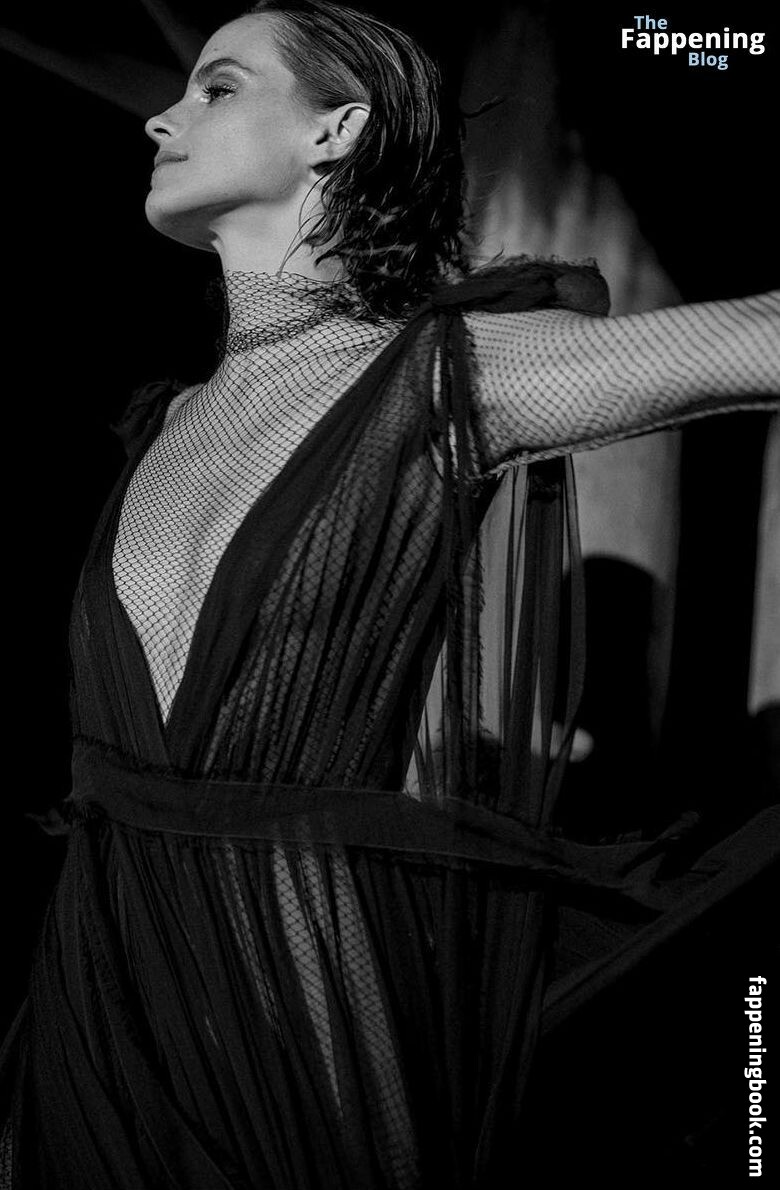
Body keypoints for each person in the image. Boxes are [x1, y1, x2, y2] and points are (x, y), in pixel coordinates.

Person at [1, 2, 777, 1187]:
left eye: (218, 87)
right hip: (95, 1004)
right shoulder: (164, 421)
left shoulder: (445, 376)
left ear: (338, 129)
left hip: (294, 1004)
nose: (163, 115)